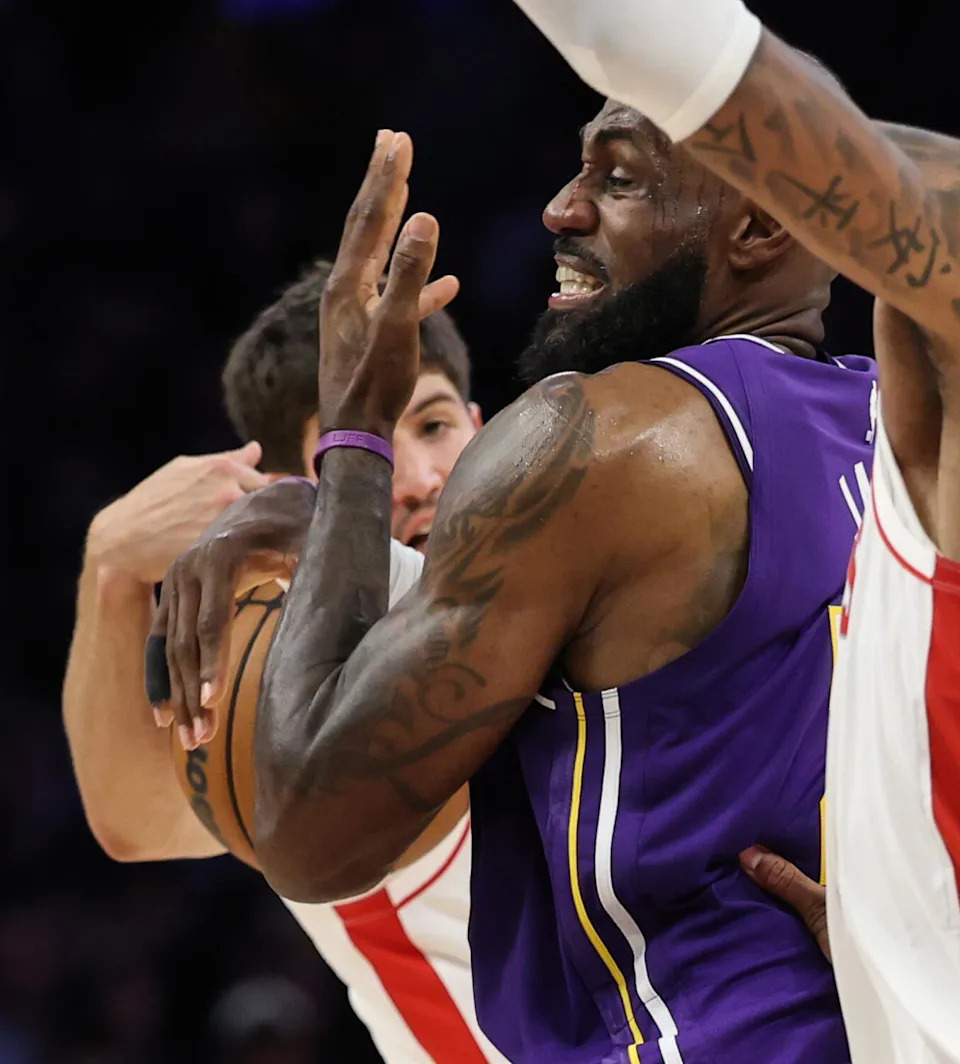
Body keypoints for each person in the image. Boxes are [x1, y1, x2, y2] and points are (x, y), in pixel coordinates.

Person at [151, 114, 876, 1064]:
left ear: (759, 227)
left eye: (619, 180)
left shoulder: (594, 440)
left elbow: (303, 836)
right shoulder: (904, 440)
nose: (561, 209)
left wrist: (356, 434)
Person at [498, 3, 960, 1061]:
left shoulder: (659, 432)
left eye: (616, 176)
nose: (564, 208)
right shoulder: (870, 409)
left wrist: (346, 466)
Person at [63, 261, 506, 1064]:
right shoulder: (293, 699)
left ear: (482, 425)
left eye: (436, 425)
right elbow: (139, 823)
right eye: (364, 454)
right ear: (284, 503)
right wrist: (112, 570)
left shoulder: (587, 573)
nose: (419, 479)